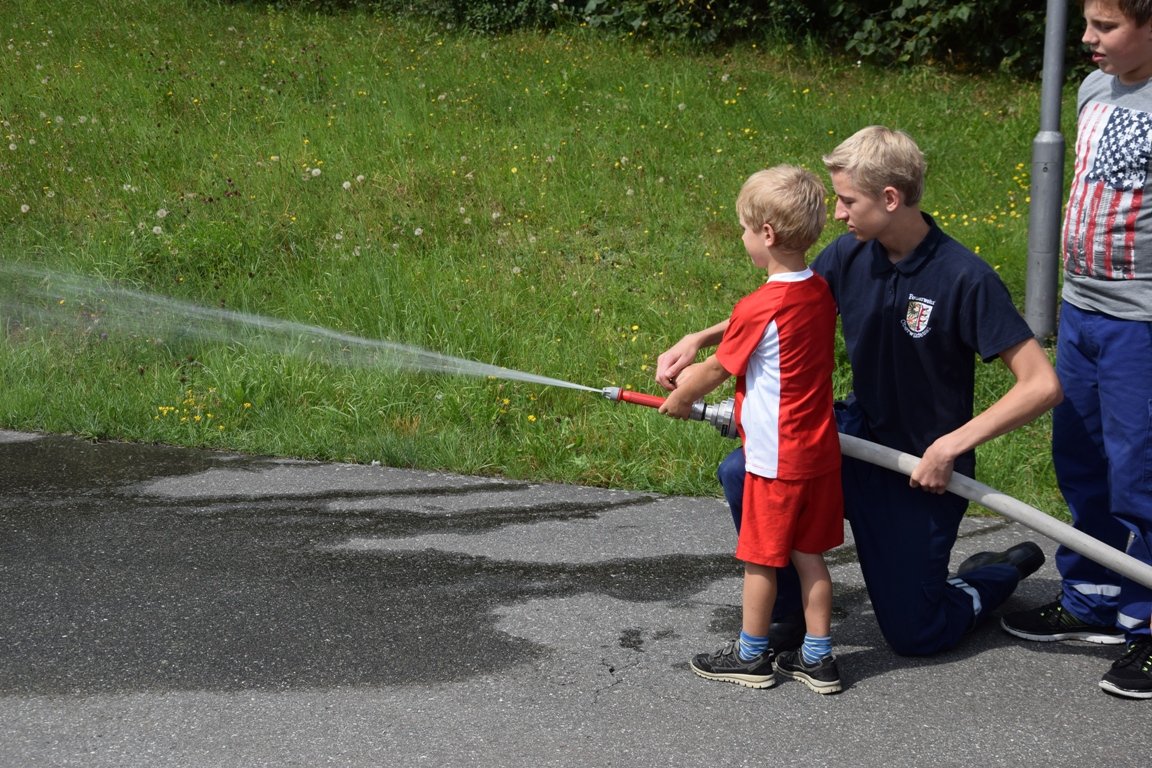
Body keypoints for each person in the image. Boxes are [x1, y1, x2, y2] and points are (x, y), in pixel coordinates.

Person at [657, 126, 1064, 657]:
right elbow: (783, 305)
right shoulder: (851, 255)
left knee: (917, 634)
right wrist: (701, 338)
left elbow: (1041, 385)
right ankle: (785, 618)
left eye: (848, 200)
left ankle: (990, 577)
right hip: (852, 442)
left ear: (890, 199)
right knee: (743, 471)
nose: (839, 214)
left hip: (921, 471)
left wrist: (949, 448)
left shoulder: (965, 278)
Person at [1000, 0, 1152, 701]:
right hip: (1083, 311)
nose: (1086, 40)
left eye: (1105, 27)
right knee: (1082, 457)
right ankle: (1093, 595)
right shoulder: (1096, 88)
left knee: (1141, 475)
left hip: (1141, 325)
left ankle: (1148, 621)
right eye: (1086, 23)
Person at [659, 165, 845, 693]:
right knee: (811, 559)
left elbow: (718, 368)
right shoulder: (818, 292)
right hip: (818, 454)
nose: (742, 237)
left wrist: (680, 398)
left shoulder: (760, 304)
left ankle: (751, 655)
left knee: (761, 560)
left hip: (774, 458)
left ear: (766, 233)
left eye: (743, 228)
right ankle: (818, 658)